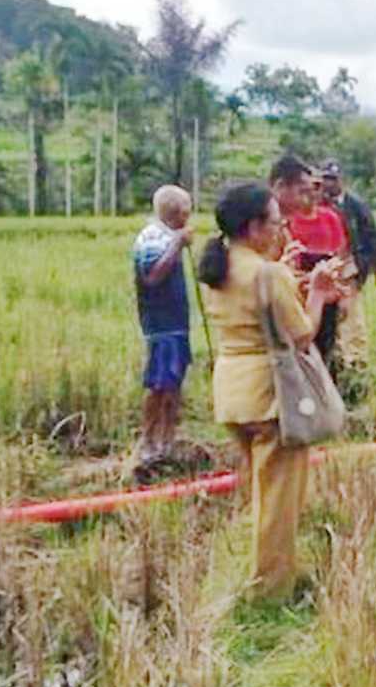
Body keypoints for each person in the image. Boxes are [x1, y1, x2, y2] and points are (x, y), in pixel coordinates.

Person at [197, 182, 341, 600]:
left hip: (232, 391)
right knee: (280, 503)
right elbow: (301, 335)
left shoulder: (218, 265)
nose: (282, 229)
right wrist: (316, 292)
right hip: (272, 395)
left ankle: (266, 573)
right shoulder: (268, 273)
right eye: (277, 222)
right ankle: (272, 591)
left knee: (262, 491)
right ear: (255, 226)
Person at [130, 184, 194, 479]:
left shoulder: (167, 236)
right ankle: (148, 441)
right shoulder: (153, 238)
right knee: (159, 384)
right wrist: (178, 245)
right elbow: (152, 277)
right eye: (187, 211)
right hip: (161, 326)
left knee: (174, 382)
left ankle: (167, 439)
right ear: (176, 213)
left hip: (176, 324)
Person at [271, 156, 348, 365]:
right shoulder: (267, 231)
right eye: (302, 192)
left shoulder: (282, 227)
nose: (308, 199)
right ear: (280, 187)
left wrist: (311, 283)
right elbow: (266, 280)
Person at [321, 159, 376, 372]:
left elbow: (372, 236)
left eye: (333, 179)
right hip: (324, 269)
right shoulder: (317, 205)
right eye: (326, 178)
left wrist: (369, 266)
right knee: (327, 318)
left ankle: (356, 363)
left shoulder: (355, 205)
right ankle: (333, 361)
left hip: (348, 267)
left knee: (352, 318)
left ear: (342, 181)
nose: (329, 184)